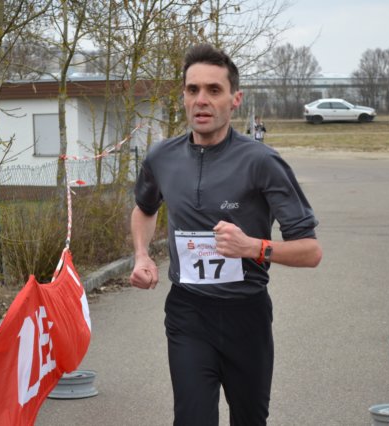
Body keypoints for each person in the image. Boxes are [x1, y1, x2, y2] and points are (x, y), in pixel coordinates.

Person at [128, 43, 322, 426]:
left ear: (235, 99)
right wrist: (142, 255)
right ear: (183, 96)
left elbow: (310, 251)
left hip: (245, 314)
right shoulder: (161, 157)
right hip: (187, 311)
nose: (201, 100)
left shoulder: (262, 161)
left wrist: (253, 247)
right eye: (193, 89)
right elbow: (145, 209)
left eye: (214, 90)